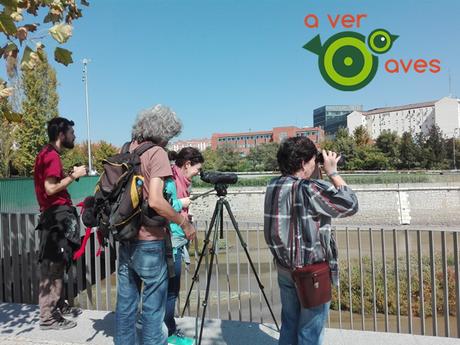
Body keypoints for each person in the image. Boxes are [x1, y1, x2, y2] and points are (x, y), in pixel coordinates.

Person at [115, 104, 197, 345]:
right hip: (150, 241)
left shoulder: (127, 148)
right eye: (171, 134)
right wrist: (184, 222)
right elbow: (157, 201)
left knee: (126, 306)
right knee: (152, 310)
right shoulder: (157, 153)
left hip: (126, 237)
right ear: (164, 131)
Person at [264, 137, 358, 345]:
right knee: (310, 331)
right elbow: (350, 204)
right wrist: (332, 172)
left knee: (289, 323)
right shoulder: (308, 189)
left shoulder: (273, 185)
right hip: (310, 271)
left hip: (284, 267)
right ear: (303, 163)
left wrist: (315, 172)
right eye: (312, 161)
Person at [34, 117, 87, 330]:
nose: (74, 136)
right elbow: (50, 188)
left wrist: (67, 175)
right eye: (72, 133)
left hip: (56, 216)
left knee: (58, 263)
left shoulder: (48, 154)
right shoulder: (51, 157)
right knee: (53, 267)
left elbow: (53, 184)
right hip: (55, 218)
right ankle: (48, 318)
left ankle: (58, 306)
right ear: (61, 134)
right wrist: (73, 176)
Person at [164, 147, 204, 344]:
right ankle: (169, 334)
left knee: (168, 289)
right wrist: (182, 203)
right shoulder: (171, 180)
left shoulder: (178, 179)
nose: (197, 174)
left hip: (175, 240)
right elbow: (162, 205)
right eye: (196, 169)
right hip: (171, 242)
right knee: (171, 290)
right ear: (187, 165)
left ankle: (162, 329)